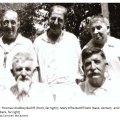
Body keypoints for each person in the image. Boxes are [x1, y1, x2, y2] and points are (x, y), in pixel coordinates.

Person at [34, 5, 82, 102]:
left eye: (60, 20)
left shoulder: (72, 40)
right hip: (46, 94)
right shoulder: (38, 42)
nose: (56, 22)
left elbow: (79, 68)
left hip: (70, 94)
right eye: (53, 18)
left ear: (64, 22)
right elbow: (35, 70)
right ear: (48, 18)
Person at [0, 10, 38, 84]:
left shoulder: (26, 44)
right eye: (6, 22)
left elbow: (34, 71)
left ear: (18, 24)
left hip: (18, 90)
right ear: (1, 24)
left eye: (13, 22)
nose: (9, 26)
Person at [82, 14, 120, 82]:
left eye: (99, 28)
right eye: (92, 29)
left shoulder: (117, 45)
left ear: (107, 28)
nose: (95, 32)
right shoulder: (86, 50)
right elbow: (82, 76)